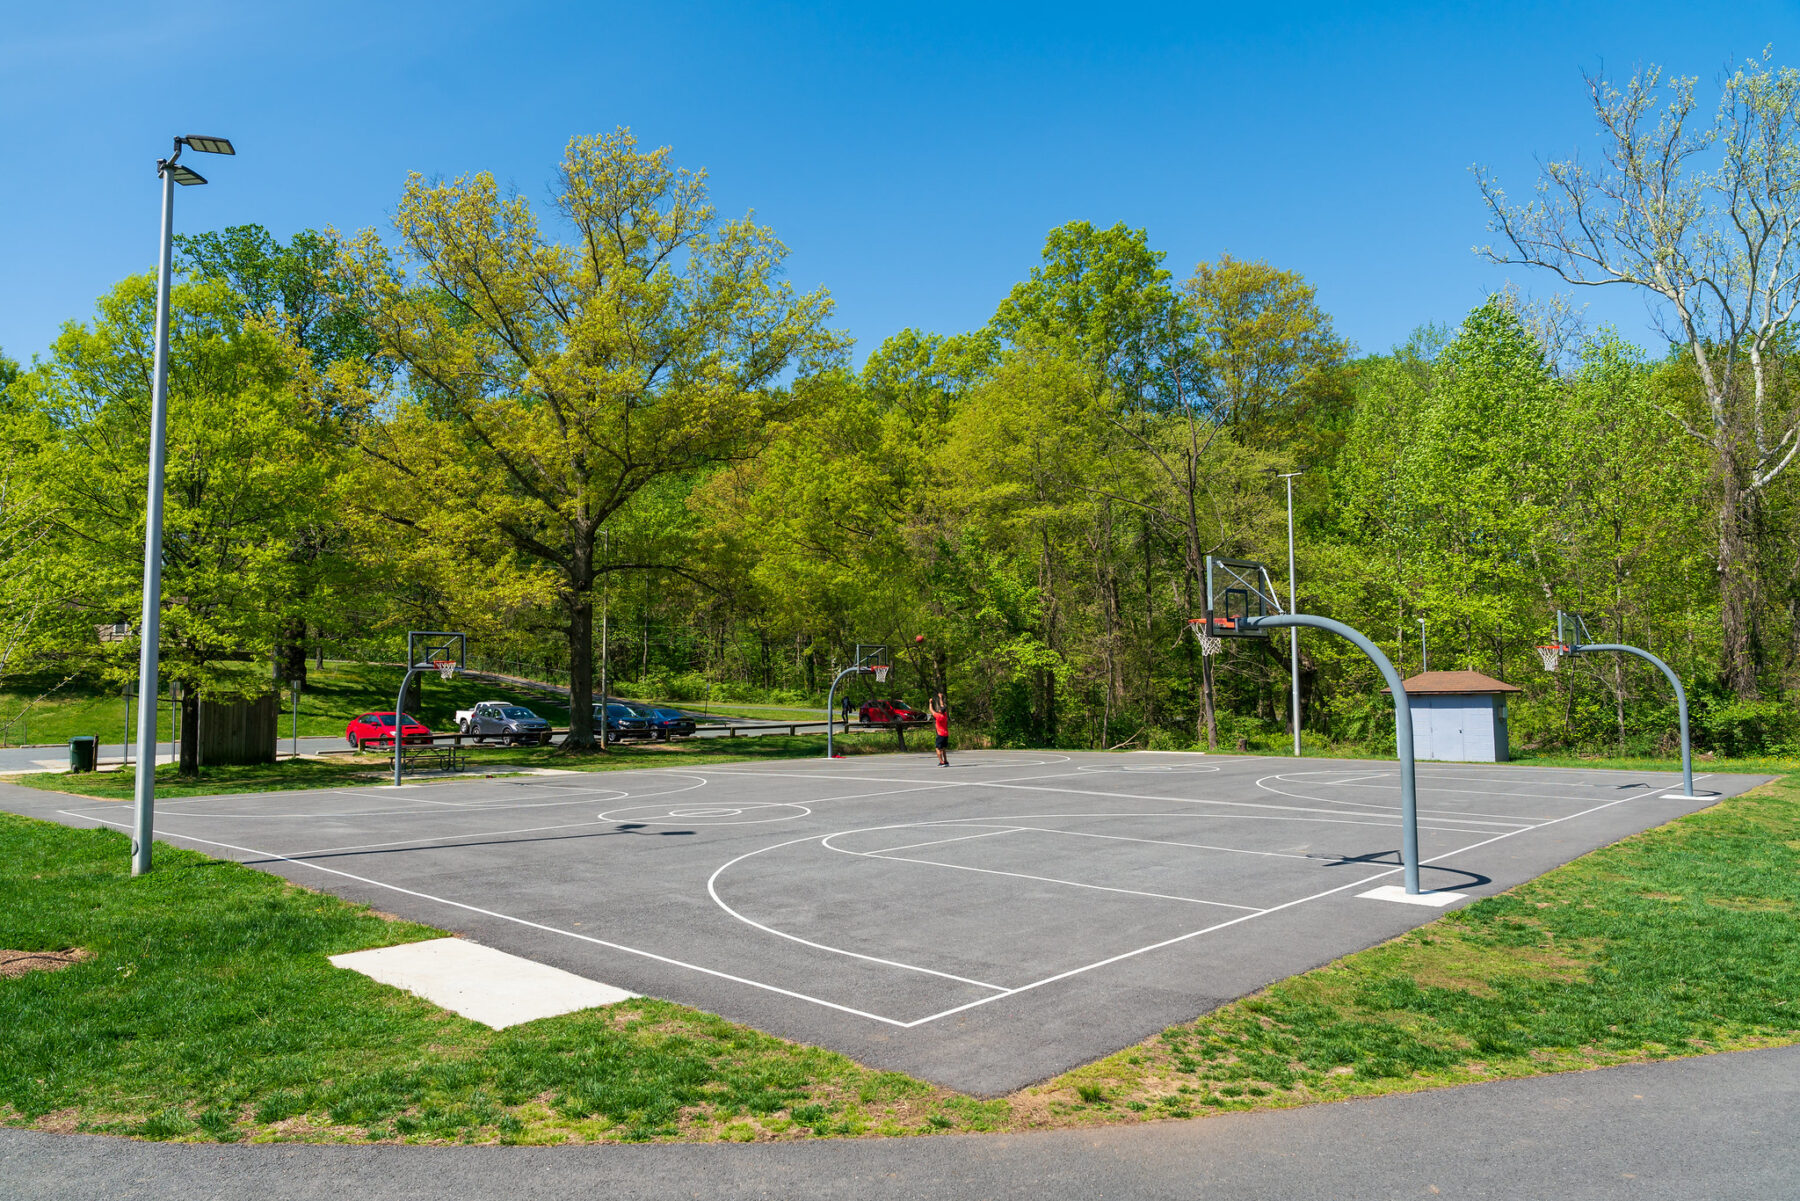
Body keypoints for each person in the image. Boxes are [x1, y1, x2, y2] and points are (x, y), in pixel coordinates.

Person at [929, 693, 949, 766]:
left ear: (941, 711)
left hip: (940, 734)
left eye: (940, 709)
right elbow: (942, 705)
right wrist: (940, 698)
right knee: (943, 748)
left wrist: (930, 703)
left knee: (938, 748)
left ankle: (941, 762)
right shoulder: (945, 715)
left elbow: (931, 710)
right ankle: (946, 761)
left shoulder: (938, 716)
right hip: (946, 734)